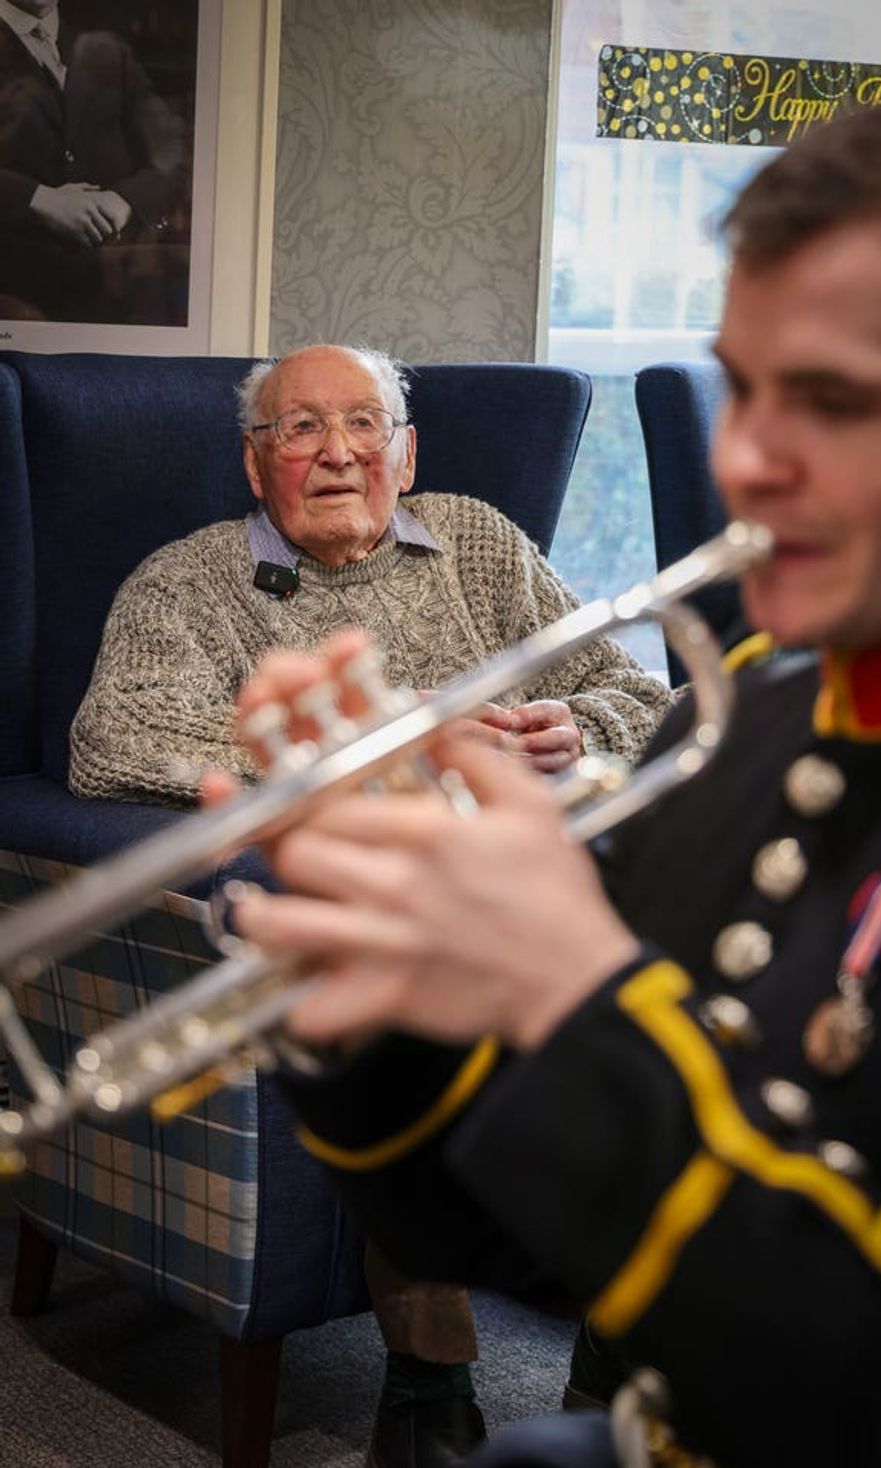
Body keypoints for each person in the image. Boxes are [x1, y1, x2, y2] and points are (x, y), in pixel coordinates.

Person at [219, 85, 881, 1468]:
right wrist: (369, 1000)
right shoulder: (767, 726)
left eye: (838, 400)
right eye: (743, 386)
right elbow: (506, 1236)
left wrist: (575, 989)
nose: (743, 459)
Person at [68, 340, 674, 1468]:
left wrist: (574, 728)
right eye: (299, 428)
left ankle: (618, 1336)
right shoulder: (188, 580)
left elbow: (636, 686)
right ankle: (432, 1372)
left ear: (405, 452)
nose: (336, 451)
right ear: (257, 465)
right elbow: (114, 740)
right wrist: (348, 765)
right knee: (413, 958)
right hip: (402, 890)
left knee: (681, 943)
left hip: (554, 859)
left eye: (362, 425)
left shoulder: (480, 543)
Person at [0, 0, 188, 324]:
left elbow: (171, 154)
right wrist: (39, 200)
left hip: (110, 298)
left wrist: (123, 201)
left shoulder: (107, 50)